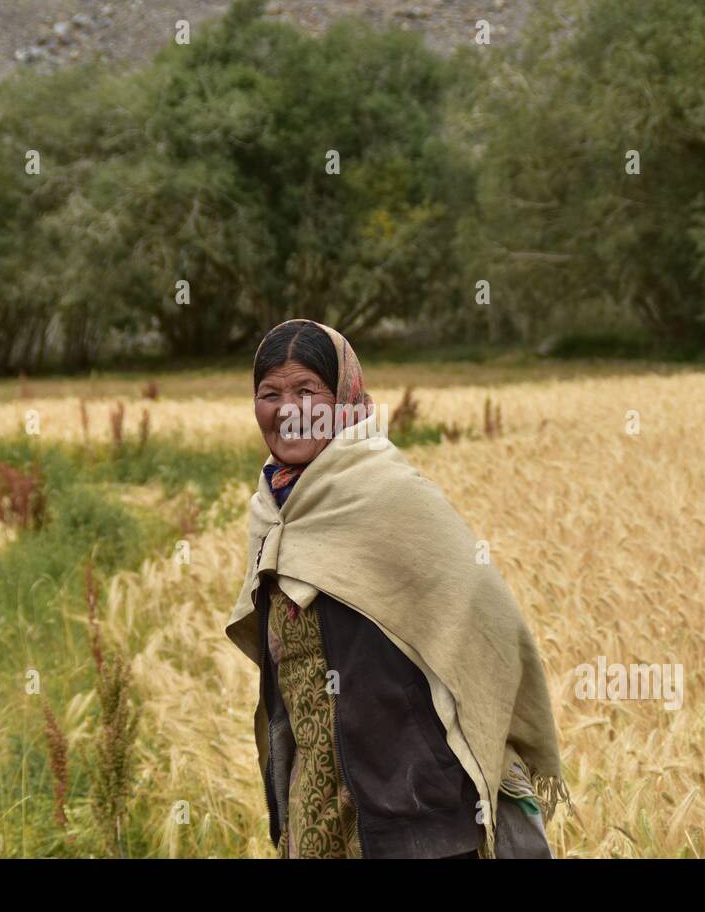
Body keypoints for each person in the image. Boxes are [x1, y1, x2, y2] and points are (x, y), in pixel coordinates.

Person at [224, 319, 573, 858]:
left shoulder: (391, 496)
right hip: (316, 802)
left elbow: (490, 626)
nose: (287, 410)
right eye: (270, 393)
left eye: (306, 392)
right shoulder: (272, 511)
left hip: (415, 807)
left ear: (342, 399)